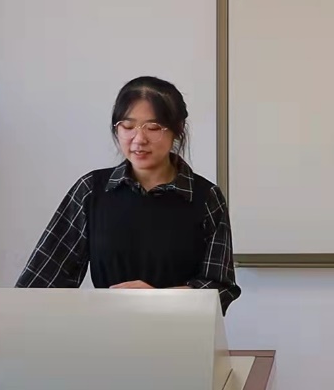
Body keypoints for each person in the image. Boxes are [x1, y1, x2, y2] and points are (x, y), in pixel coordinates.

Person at [15, 76, 240, 313]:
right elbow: (41, 282)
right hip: (107, 330)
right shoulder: (92, 190)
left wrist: (157, 299)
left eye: (153, 127)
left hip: (181, 330)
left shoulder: (205, 197)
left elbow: (220, 288)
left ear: (178, 129)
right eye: (128, 126)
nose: (139, 139)